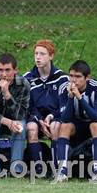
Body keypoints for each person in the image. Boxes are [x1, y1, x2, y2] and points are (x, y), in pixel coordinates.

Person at [55, 60, 97, 182]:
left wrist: (80, 97)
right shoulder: (63, 88)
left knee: (96, 125)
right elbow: (65, 118)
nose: (73, 80)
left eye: (78, 77)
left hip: (93, 122)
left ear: (87, 77)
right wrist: (71, 97)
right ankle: (62, 170)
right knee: (64, 126)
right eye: (71, 76)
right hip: (75, 124)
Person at [23, 40, 69, 172]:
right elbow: (28, 106)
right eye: (36, 53)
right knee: (31, 127)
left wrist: (50, 116)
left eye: (42, 54)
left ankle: (57, 168)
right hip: (35, 117)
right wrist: (39, 120)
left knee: (55, 127)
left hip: (55, 117)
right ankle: (39, 170)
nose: (38, 57)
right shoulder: (27, 78)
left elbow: (64, 105)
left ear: (51, 56)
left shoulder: (62, 78)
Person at [0, 53, 30, 176]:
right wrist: (6, 121)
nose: (4, 74)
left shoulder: (23, 84)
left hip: (15, 118)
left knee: (21, 126)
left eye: (8, 70)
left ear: (15, 70)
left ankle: (17, 170)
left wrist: (7, 94)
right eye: (1, 70)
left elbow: (20, 114)